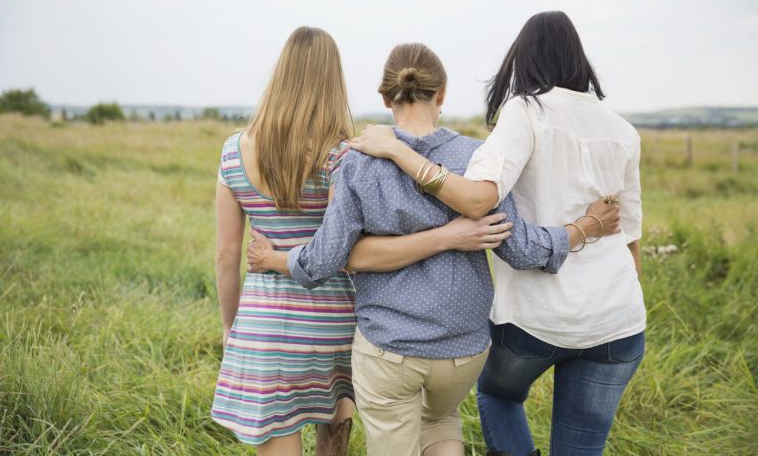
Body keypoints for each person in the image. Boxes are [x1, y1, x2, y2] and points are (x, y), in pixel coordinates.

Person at [246, 42, 621, 456]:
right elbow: (522, 250)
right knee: (440, 419)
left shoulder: (358, 162)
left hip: (390, 349)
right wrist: (584, 228)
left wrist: (273, 259)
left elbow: (325, 259)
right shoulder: (476, 157)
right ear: (441, 94)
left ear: (386, 98)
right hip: (463, 351)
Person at [350, 12, 645, 456]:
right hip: (617, 319)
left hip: (538, 317)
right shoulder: (623, 130)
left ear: (522, 60)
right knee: (582, 447)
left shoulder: (526, 110)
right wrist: (608, 282)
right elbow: (630, 235)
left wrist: (395, 149)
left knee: (498, 394)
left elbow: (476, 201)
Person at [211, 26, 359, 456]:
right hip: (338, 318)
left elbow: (226, 256)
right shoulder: (344, 153)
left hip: (268, 323)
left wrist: (228, 325)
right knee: (337, 415)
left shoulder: (235, 150)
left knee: (279, 430)